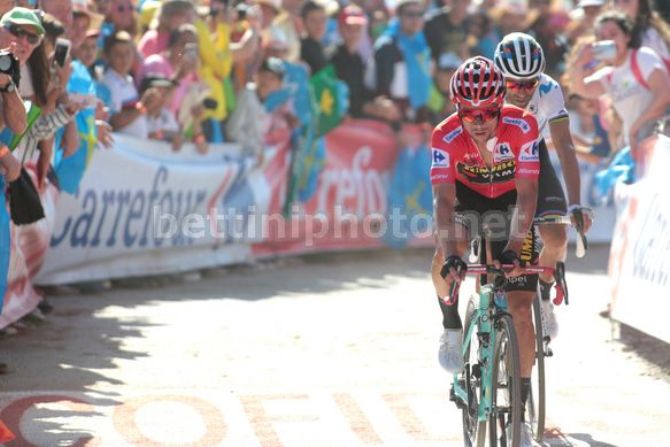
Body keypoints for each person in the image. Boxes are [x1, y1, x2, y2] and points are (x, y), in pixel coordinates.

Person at [431, 56, 541, 446]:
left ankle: (521, 413)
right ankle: (450, 324)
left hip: (511, 203)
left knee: (521, 307)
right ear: (456, 107)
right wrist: (453, 253)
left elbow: (528, 196)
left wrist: (513, 246)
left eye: (488, 112)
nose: (478, 120)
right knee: (447, 252)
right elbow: (444, 202)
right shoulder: (444, 136)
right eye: (469, 112)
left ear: (501, 104)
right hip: (466, 200)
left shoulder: (522, 125)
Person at [493, 32, 593, 340]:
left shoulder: (548, 89)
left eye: (529, 83)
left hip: (532, 155)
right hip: (491, 162)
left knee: (556, 235)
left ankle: (546, 296)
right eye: (514, 84)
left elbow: (564, 147)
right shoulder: (486, 87)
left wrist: (575, 203)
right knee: (490, 244)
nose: (522, 92)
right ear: (499, 78)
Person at [569, 11, 670, 155]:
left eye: (613, 34)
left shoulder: (642, 57)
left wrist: (634, 129)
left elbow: (665, 95)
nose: (608, 41)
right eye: (602, 37)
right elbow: (580, 89)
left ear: (627, 36)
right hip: (636, 148)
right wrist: (579, 63)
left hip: (660, 143)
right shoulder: (609, 75)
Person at [612, 0, 670, 70]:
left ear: (641, 4)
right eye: (615, 1)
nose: (619, 7)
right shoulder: (607, 34)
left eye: (626, 1)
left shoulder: (650, 36)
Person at [300, 0, 328, 75]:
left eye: (322, 20)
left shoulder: (322, 47)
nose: (319, 25)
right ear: (304, 22)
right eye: (313, 20)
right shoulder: (301, 47)